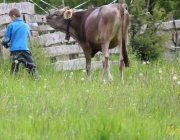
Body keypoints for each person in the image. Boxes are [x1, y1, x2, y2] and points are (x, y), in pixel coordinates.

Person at [1, 7, 38, 78]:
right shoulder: (26, 26)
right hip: (24, 49)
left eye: (11, 18)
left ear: (13, 16)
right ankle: (36, 79)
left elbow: (6, 39)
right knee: (31, 66)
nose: (11, 19)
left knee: (14, 68)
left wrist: (4, 43)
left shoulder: (11, 25)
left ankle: (14, 81)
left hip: (14, 51)